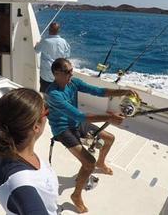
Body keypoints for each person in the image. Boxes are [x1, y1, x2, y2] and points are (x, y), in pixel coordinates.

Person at [45, 58, 137, 213]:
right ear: (56, 73)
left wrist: (124, 91)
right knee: (89, 163)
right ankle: (76, 195)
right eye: (67, 72)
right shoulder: (53, 94)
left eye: (71, 70)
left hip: (76, 123)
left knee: (109, 138)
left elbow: (99, 91)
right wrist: (109, 118)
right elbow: (80, 116)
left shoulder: (73, 82)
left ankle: (101, 163)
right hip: (62, 129)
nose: (71, 74)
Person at [0, 88, 58, 215]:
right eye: (46, 112)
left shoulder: (5, 145)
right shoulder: (21, 180)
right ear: (36, 126)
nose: (48, 115)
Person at [35, 22, 70, 92]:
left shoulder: (44, 41)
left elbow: (36, 50)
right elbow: (67, 56)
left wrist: (37, 44)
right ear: (58, 31)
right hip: (59, 74)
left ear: (49, 30)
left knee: (44, 93)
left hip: (46, 75)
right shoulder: (64, 42)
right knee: (57, 94)